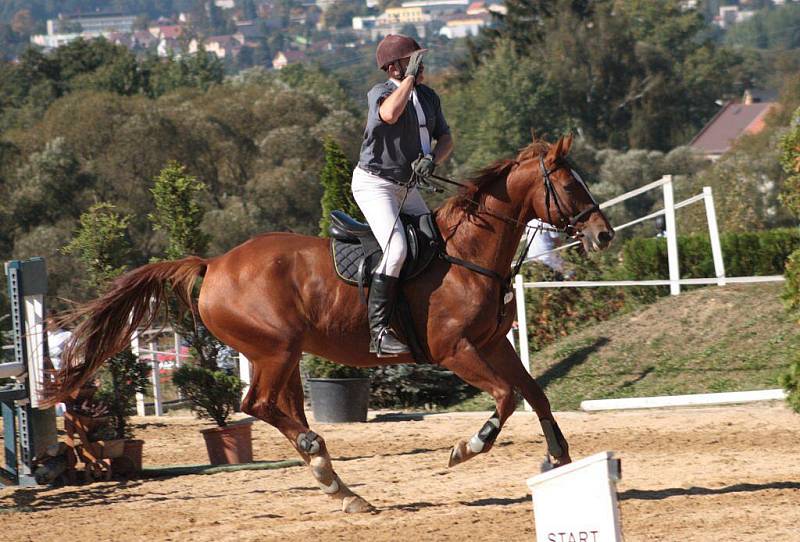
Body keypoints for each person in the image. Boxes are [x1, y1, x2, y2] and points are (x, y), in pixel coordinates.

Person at [352, 34, 454, 357]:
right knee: (396, 248)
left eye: (419, 61)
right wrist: (407, 78)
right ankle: (379, 332)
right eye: (413, 60)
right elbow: (390, 115)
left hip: (407, 186)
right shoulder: (380, 93)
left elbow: (446, 138)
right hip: (375, 185)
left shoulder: (428, 97)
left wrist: (432, 160)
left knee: (434, 241)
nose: (421, 65)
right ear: (394, 67)